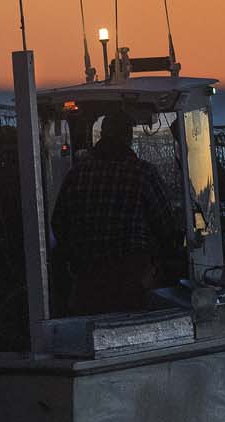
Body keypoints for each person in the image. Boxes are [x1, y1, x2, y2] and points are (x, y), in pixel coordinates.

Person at [51, 110, 179, 315]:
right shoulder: (143, 173)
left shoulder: (77, 173)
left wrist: (75, 256)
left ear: (102, 134)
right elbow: (166, 225)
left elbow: (58, 223)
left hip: (86, 283)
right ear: (127, 137)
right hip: (131, 284)